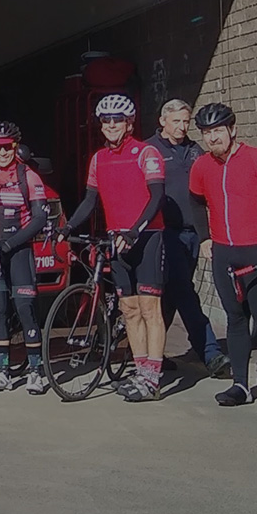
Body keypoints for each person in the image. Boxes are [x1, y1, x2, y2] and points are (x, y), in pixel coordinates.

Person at [188, 102, 257, 415]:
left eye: (217, 131)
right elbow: (195, 203)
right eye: (206, 133)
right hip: (225, 252)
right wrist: (205, 237)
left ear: (232, 130)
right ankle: (241, 386)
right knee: (235, 320)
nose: (212, 138)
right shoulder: (201, 166)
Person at [63, 94, 168, 401]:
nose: (111, 125)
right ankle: (140, 371)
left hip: (146, 237)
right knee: (129, 309)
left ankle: (152, 378)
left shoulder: (146, 152)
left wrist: (135, 231)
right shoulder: (99, 159)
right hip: (116, 238)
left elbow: (156, 197)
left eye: (117, 120)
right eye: (106, 120)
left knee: (150, 308)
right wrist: (67, 228)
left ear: (129, 123)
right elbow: (90, 201)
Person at [0, 122, 52, 396]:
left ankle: (36, 372)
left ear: (15, 147)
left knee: (26, 309)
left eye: (8, 147)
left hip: (18, 250)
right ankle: (2, 372)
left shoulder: (28, 176)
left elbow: (39, 219)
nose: (3, 152)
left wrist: (9, 244)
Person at [152, 99, 229, 378]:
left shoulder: (195, 150)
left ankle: (152, 353)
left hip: (194, 233)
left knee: (171, 294)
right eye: (177, 121)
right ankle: (210, 352)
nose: (182, 127)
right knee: (183, 289)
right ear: (163, 121)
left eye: (186, 121)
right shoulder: (150, 150)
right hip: (165, 234)